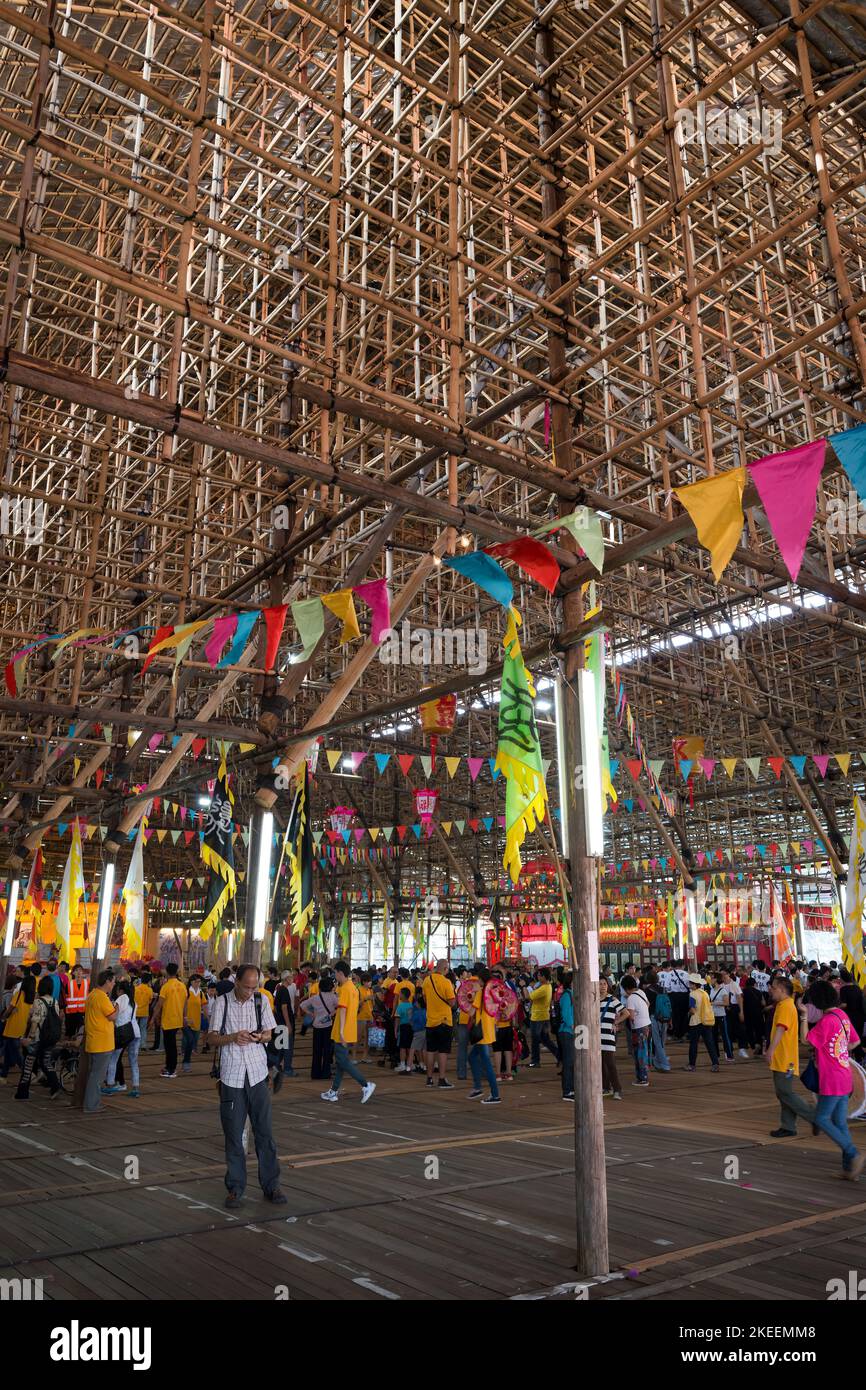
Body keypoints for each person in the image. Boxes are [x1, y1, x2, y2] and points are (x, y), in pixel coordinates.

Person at [206, 963, 286, 1209]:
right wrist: (233, 1037)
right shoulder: (222, 1003)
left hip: (258, 1074)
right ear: (236, 982)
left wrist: (260, 1036)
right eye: (246, 987)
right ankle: (235, 1187)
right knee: (233, 1136)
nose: (250, 992)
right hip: (231, 1077)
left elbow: (271, 1033)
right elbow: (211, 1038)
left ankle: (271, 1185)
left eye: (254, 987)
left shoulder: (261, 1001)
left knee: (265, 1134)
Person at [800, 979, 863, 1179]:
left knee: (821, 1118)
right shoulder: (841, 1015)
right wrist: (838, 1051)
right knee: (839, 1121)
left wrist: (803, 1017)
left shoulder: (826, 1021)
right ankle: (848, 1169)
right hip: (845, 1075)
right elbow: (855, 1042)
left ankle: (853, 1153)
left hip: (831, 1078)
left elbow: (805, 1040)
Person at [767, 975, 815, 1138]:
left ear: (781, 989)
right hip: (782, 1056)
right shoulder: (783, 1005)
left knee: (785, 1092)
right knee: (783, 1092)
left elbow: (781, 1029)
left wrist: (770, 1050)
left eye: (773, 987)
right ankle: (788, 1126)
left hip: (784, 1057)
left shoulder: (786, 1006)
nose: (770, 990)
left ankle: (814, 1117)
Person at [320, 961, 375, 1104]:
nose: (334, 976)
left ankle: (365, 1085)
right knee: (340, 1063)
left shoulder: (345, 988)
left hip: (342, 1031)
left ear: (339, 972)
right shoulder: (353, 988)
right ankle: (333, 1091)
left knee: (343, 1062)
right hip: (348, 1028)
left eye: (335, 973)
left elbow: (343, 1009)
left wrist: (341, 1031)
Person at [14, 976, 61, 1099]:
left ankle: (22, 1093)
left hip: (37, 1038)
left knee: (28, 1065)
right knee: (46, 1062)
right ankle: (55, 1086)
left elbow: (35, 1021)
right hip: (50, 1038)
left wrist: (30, 1037)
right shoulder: (55, 1001)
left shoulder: (38, 1002)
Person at [83, 970, 117, 1114]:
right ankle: (91, 1105)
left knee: (94, 1074)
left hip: (94, 1040)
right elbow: (113, 1016)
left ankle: (92, 1103)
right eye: (113, 981)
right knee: (97, 1076)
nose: (114, 984)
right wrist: (117, 1007)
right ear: (107, 982)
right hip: (102, 1042)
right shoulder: (102, 997)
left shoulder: (92, 994)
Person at [466, 963, 500, 1105]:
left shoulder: (481, 992)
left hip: (481, 1032)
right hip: (489, 1029)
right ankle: (478, 1087)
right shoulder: (491, 991)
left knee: (486, 1063)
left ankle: (495, 1094)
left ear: (481, 979)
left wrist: (472, 997)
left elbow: (471, 1012)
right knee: (473, 1057)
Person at [103, 979, 141, 1098]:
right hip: (135, 1033)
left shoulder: (121, 998)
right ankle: (135, 1088)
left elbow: (114, 1015)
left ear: (120, 990)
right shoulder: (133, 1001)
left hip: (122, 1033)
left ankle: (109, 1086)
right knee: (133, 1061)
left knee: (113, 1059)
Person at [422, 959, 456, 1089]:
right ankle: (441, 1079)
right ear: (445, 969)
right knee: (443, 1051)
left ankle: (429, 1079)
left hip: (430, 1021)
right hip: (444, 1021)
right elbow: (452, 1003)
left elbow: (425, 999)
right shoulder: (446, 982)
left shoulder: (426, 980)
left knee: (430, 1051)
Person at [299, 970, 337, 1079]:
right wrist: (332, 1013)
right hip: (328, 1026)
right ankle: (326, 1073)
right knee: (326, 1050)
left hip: (316, 1026)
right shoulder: (333, 997)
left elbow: (302, 1005)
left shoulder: (315, 998)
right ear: (330, 987)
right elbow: (340, 1006)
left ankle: (315, 1073)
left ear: (320, 987)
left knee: (316, 1051)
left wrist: (311, 1013)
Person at [154, 961, 187, 1078]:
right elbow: (185, 1004)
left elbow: (159, 1004)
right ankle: (169, 1067)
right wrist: (184, 1017)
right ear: (177, 972)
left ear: (167, 972)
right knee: (171, 1044)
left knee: (170, 1046)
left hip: (168, 1019)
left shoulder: (166, 986)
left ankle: (171, 1069)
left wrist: (153, 1017)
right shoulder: (182, 986)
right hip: (177, 1019)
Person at [1, 970, 34, 1076]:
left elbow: (10, 1008)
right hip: (21, 1026)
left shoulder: (20, 994)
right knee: (8, 1049)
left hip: (12, 1025)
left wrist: (3, 1017)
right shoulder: (30, 997)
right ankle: (4, 1074)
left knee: (14, 1051)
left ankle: (26, 1072)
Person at [683, 973, 720, 1072]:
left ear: (694, 984)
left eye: (690, 983)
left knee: (694, 1044)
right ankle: (715, 1063)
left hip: (696, 1021)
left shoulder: (692, 994)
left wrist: (689, 1013)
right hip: (706, 1021)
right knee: (709, 1043)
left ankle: (692, 1065)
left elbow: (692, 1010)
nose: (689, 985)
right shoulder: (705, 993)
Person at [525, 967, 559, 1068]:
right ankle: (559, 1056)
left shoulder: (544, 988)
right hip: (544, 1016)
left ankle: (535, 1061)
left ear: (544, 976)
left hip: (538, 1017)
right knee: (545, 1040)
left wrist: (524, 986)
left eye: (539, 975)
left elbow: (528, 996)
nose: (537, 977)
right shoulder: (547, 986)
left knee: (535, 1040)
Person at [621, 975, 652, 1086]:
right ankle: (643, 1076)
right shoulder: (641, 992)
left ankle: (642, 1078)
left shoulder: (630, 998)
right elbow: (648, 1004)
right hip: (647, 1025)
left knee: (639, 1052)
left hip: (638, 1028)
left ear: (626, 988)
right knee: (644, 1051)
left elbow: (631, 1016)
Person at [599, 976, 624, 1099]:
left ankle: (617, 1089)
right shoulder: (594, 1000)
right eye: (600, 984)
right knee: (601, 1064)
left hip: (608, 1036)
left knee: (610, 1064)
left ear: (608, 985)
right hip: (597, 1036)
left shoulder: (612, 999)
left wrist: (616, 1023)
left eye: (604, 984)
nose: (602, 986)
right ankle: (606, 1087)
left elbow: (626, 1013)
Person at [837, 968, 866, 1063]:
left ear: (842, 979)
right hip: (860, 1016)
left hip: (850, 1017)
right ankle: (859, 1058)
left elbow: (844, 1004)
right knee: (858, 1037)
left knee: (850, 1037)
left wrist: (836, 1008)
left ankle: (851, 1059)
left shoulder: (844, 989)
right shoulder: (857, 988)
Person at [659, 959, 691, 1041]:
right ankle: (683, 1033)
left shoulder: (670, 974)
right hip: (684, 996)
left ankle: (675, 1034)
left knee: (674, 1015)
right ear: (683, 966)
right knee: (684, 1015)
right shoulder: (686, 974)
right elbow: (689, 986)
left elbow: (666, 987)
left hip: (673, 996)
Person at [274, 971, 297, 1075]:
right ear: (287, 978)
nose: (292, 978)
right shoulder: (284, 990)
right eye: (291, 977)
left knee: (280, 1047)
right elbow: (284, 1008)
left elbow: (275, 1007)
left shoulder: (279, 989)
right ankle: (287, 1069)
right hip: (284, 1023)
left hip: (279, 1022)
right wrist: (288, 1024)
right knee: (287, 1047)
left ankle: (276, 1066)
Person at [710, 972, 735, 1062]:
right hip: (713, 1015)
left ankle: (729, 1054)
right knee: (713, 1036)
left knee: (725, 1035)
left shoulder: (723, 990)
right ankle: (716, 1054)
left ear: (716, 979)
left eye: (712, 978)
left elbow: (726, 1003)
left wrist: (714, 1003)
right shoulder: (712, 990)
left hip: (721, 1015)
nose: (711, 980)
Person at [557, 970, 575, 1100]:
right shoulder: (567, 995)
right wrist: (574, 1026)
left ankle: (572, 1088)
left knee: (572, 1061)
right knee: (568, 1062)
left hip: (573, 1031)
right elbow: (567, 1015)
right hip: (567, 1032)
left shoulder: (572, 994)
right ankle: (567, 1091)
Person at [182, 974, 204, 1072]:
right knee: (189, 1040)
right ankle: (186, 1063)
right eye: (196, 982)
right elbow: (183, 1005)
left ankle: (187, 1054)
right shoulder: (187, 992)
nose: (198, 984)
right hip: (186, 1021)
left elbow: (204, 1006)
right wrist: (185, 1017)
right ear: (191, 982)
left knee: (193, 1040)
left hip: (197, 1021)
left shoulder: (200, 992)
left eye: (199, 982)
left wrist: (209, 1017)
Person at [64, 963, 89, 1039]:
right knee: (70, 1032)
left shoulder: (87, 983)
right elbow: (65, 997)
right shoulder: (69, 983)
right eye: (76, 970)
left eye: (80, 970)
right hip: (71, 1012)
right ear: (73, 973)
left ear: (83, 972)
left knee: (81, 1031)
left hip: (83, 1011)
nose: (78, 972)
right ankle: (69, 1047)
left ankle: (77, 1048)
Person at [394, 987, 414, 1073]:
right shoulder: (412, 1005)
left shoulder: (400, 1005)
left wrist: (395, 1029)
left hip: (403, 1028)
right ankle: (410, 1064)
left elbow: (397, 1019)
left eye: (400, 993)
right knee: (409, 1047)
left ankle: (402, 1064)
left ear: (403, 995)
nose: (399, 995)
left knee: (402, 1047)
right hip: (411, 1028)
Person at [133, 972, 153, 1048]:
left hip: (136, 1012)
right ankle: (143, 1044)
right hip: (145, 1012)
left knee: (135, 1028)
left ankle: (134, 1044)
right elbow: (150, 1000)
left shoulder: (136, 988)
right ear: (149, 981)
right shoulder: (149, 990)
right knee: (143, 1029)